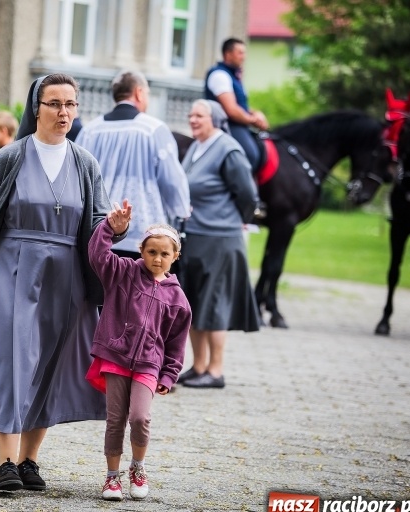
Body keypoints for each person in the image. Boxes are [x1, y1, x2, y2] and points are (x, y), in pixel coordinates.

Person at [0, 73, 126, 492]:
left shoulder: (85, 162)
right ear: (37, 108)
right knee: (11, 360)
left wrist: (115, 228)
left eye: (71, 104)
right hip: (11, 268)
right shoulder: (9, 157)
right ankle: (5, 463)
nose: (64, 112)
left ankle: (30, 460)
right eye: (55, 104)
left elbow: (96, 223)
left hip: (66, 275)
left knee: (52, 363)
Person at [86, 200, 190, 501]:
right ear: (141, 250)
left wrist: (169, 375)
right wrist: (109, 228)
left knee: (140, 418)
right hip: (116, 358)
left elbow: (176, 343)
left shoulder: (178, 299)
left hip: (148, 365)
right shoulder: (123, 273)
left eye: (164, 254)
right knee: (115, 420)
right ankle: (111, 477)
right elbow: (98, 254)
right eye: (151, 252)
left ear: (175, 256)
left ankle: (138, 467)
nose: (157, 258)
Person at [176, 100, 260, 389]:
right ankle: (198, 366)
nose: (193, 119)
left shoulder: (228, 149)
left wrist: (238, 220)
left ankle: (216, 370)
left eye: (199, 115)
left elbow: (247, 194)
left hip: (221, 238)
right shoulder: (197, 147)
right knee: (194, 303)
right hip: (195, 236)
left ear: (216, 119)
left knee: (214, 305)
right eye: (191, 115)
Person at [76, 71, 190, 259]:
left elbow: (78, 179)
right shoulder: (154, 129)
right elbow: (172, 180)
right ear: (139, 93)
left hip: (98, 231)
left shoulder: (90, 131)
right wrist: (182, 210)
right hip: (142, 233)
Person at [204, 38, 269, 172]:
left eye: (244, 53)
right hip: (225, 126)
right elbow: (232, 110)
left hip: (237, 124)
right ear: (228, 54)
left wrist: (254, 113)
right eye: (240, 53)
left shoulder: (232, 76)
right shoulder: (219, 75)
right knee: (250, 155)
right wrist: (253, 120)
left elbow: (241, 106)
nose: (244, 57)